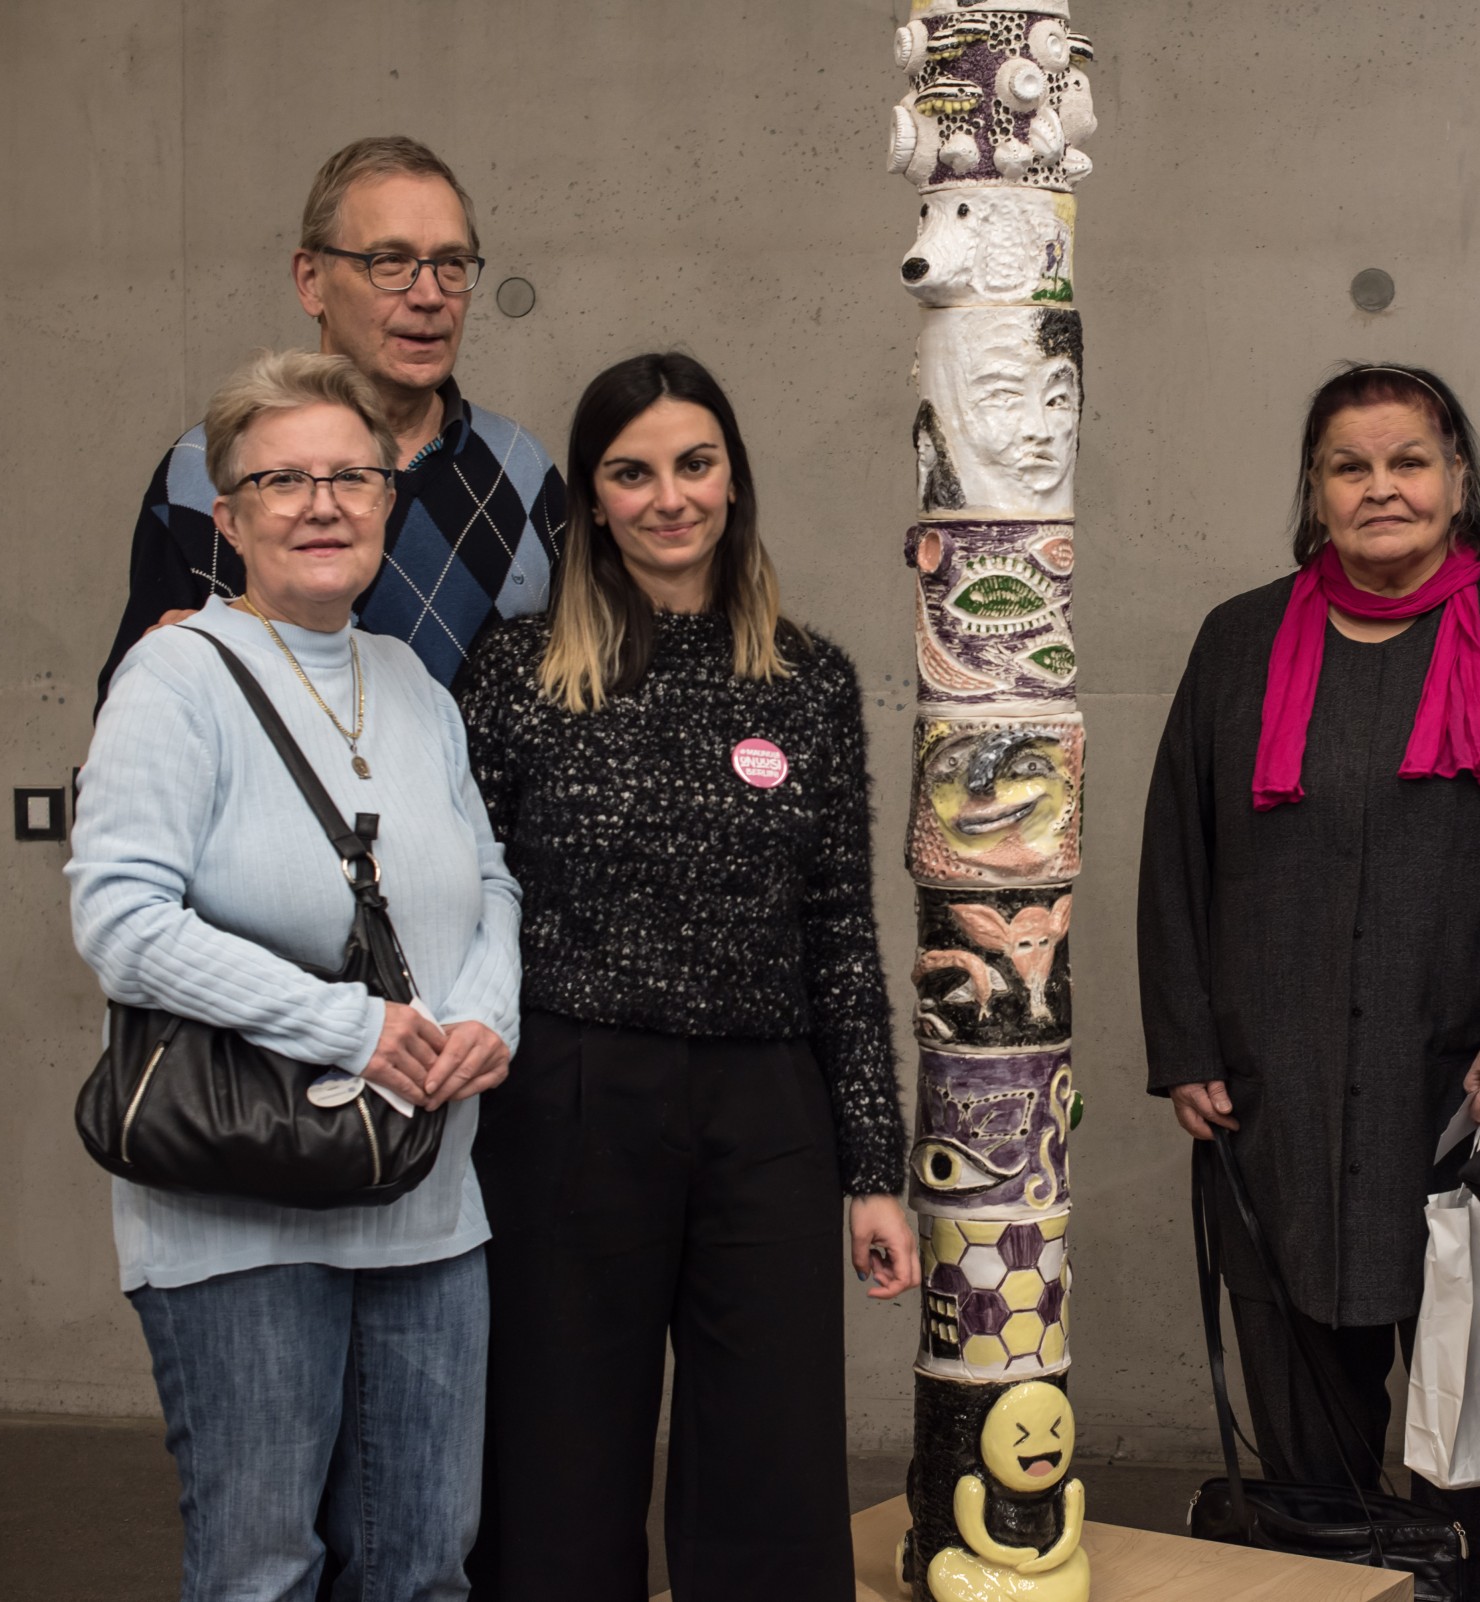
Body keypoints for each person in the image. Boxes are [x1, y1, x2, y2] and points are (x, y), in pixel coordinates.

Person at [455, 352, 918, 1602]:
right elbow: (465, 912)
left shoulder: (807, 680)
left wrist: (874, 1167)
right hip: (569, 1094)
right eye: (633, 471)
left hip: (767, 1114)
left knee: (769, 1457)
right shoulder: (513, 676)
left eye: (695, 464)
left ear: (734, 480)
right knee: (559, 1450)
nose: (670, 497)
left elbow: (836, 928)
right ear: (591, 500)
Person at [68, 349, 522, 1601]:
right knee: (264, 1571)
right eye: (282, 480)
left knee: (424, 1566)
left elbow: (492, 883)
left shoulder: (417, 686)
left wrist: (486, 1021)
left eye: (350, 477)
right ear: (229, 516)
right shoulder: (173, 681)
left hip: (428, 1199)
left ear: (388, 502)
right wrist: (355, 1031)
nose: (321, 504)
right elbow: (120, 922)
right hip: (237, 1210)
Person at [1140, 362, 1480, 1600]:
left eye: (1409, 461)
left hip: (1461, 1093)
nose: (1381, 487)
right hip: (1271, 1096)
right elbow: (1178, 846)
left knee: (1471, 1435)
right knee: (1303, 1419)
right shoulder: (1239, 640)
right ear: (1316, 490)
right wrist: (1187, 1046)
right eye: (1351, 465)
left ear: (1457, 480)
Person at [97, 135, 566, 700]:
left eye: (450, 263)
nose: (428, 295)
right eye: (389, 262)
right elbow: (140, 714)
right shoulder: (210, 472)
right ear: (310, 281)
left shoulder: (522, 467)